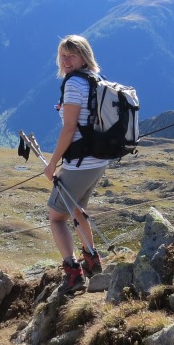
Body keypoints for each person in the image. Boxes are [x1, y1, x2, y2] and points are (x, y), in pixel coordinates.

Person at [43, 35, 109, 294]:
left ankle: (73, 273)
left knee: (56, 217)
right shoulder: (96, 80)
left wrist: (52, 163)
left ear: (84, 57)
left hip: (80, 161)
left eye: (71, 55)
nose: (66, 60)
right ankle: (92, 261)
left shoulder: (73, 84)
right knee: (77, 209)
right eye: (62, 55)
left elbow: (69, 128)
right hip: (99, 159)